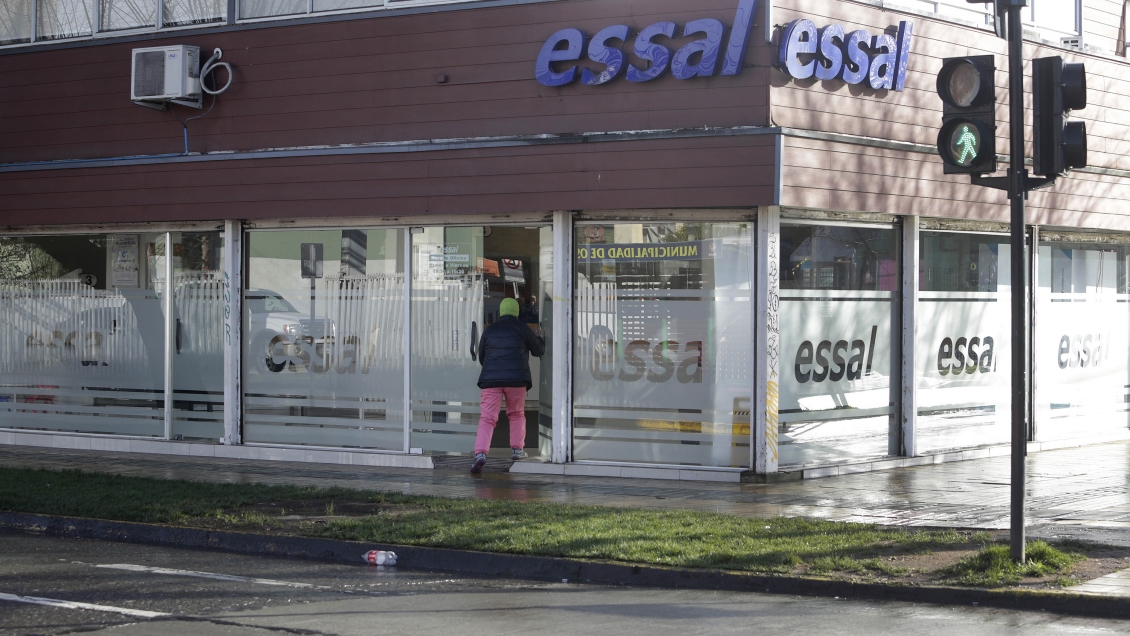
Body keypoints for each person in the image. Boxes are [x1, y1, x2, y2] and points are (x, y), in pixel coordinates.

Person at [471, 297, 544, 473]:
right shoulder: (523, 328)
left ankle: (480, 453)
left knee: (487, 417)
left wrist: (493, 369)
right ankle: (517, 450)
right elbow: (538, 351)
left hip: (491, 381)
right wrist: (540, 338)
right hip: (516, 380)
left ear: (501, 312)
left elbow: (482, 356)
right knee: (516, 414)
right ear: (517, 312)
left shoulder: (490, 330)